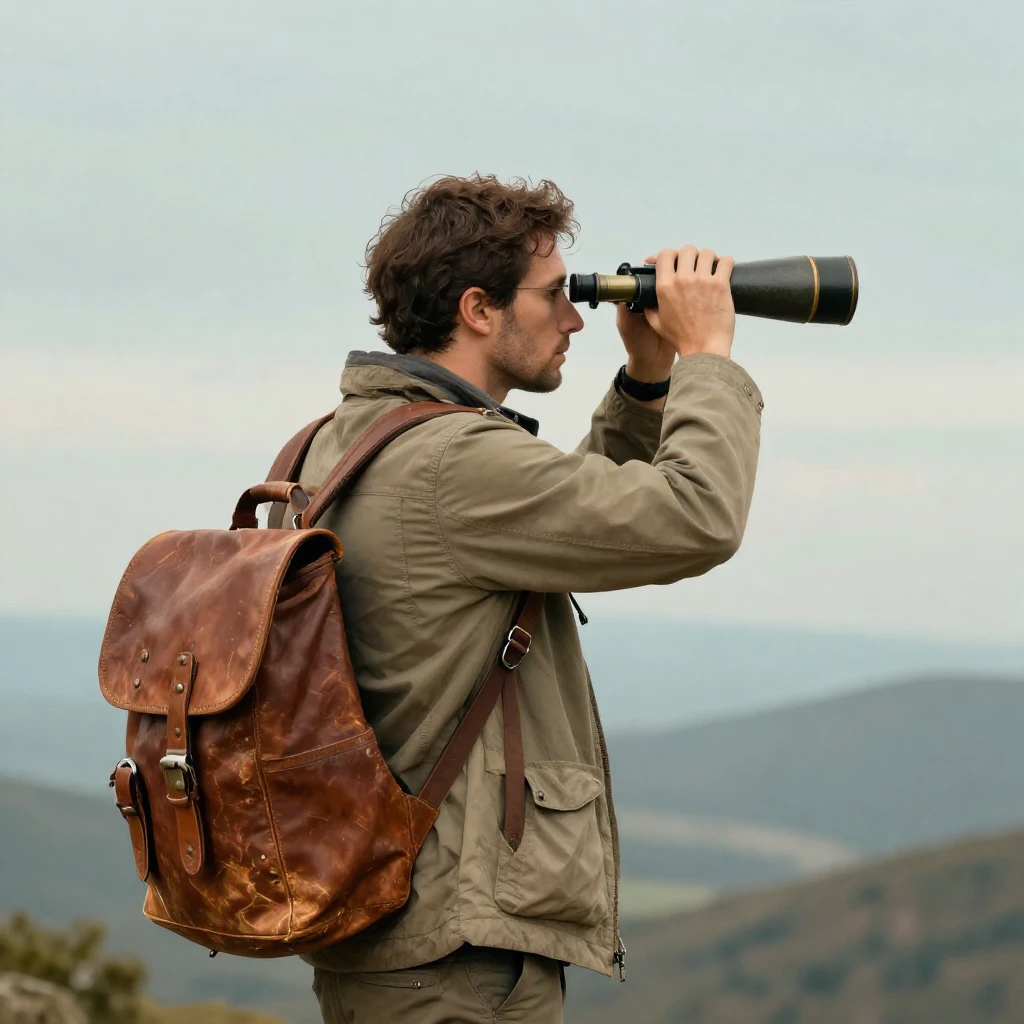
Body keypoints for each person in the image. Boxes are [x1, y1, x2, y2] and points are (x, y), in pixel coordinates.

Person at [295, 174, 763, 1024]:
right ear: (478, 310)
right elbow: (697, 517)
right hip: (455, 959)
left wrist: (646, 378)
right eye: (554, 295)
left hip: (399, 933)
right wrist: (706, 356)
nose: (576, 319)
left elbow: (561, 523)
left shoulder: (341, 441)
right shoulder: (453, 461)